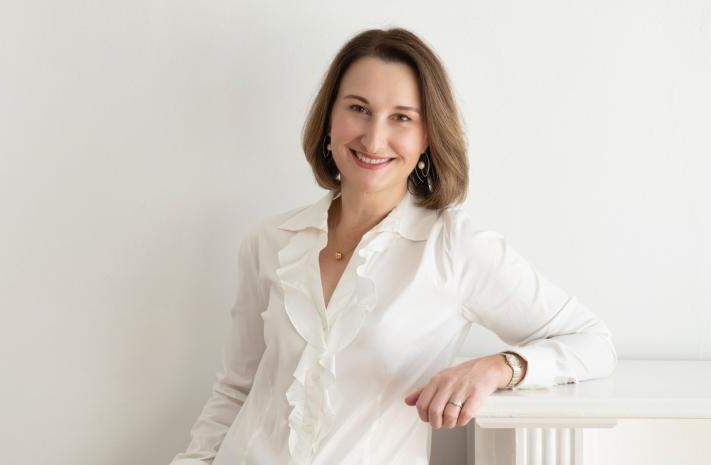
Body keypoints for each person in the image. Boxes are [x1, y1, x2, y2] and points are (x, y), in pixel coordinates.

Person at [169, 27, 617, 465]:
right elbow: (235, 389)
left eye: (401, 117)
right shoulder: (267, 242)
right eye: (358, 108)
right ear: (329, 118)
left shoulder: (455, 249)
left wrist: (499, 366)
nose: (374, 137)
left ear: (427, 137)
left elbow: (593, 342)